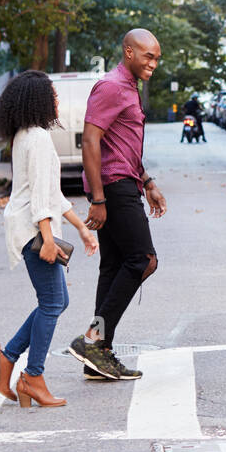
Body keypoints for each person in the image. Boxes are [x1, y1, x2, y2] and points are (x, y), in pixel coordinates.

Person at [0, 70, 97, 408]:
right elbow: (41, 202)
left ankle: (7, 358)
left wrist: (80, 227)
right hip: (34, 232)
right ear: (39, 100)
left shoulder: (25, 136)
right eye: (52, 94)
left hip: (29, 228)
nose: (57, 100)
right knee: (51, 303)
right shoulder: (39, 139)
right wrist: (48, 238)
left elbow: (50, 193)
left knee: (58, 301)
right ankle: (32, 376)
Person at [66, 29, 168, 381]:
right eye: (148, 56)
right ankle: (93, 339)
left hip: (125, 182)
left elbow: (124, 146)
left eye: (156, 57)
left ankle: (100, 353)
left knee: (113, 267)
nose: (154, 63)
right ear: (128, 52)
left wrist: (148, 182)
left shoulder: (129, 88)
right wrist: (98, 199)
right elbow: (91, 141)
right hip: (113, 187)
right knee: (143, 260)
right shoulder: (111, 86)